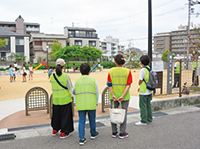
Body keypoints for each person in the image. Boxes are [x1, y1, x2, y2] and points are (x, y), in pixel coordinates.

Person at [107, 54, 132, 139]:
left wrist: (113, 95)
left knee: (113, 113)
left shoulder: (111, 71)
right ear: (124, 61)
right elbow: (128, 85)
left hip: (113, 96)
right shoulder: (128, 71)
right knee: (123, 114)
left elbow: (109, 85)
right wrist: (122, 95)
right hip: (124, 97)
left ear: (115, 62)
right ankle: (122, 133)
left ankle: (114, 132)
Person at [73, 63, 99, 145]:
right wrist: (96, 101)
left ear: (80, 71)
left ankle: (81, 138)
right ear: (89, 70)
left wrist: (75, 102)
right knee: (92, 119)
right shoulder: (93, 79)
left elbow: (74, 92)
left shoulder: (76, 80)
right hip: (91, 102)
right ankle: (93, 133)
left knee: (81, 120)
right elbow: (97, 92)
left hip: (80, 103)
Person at [50, 58, 74, 139]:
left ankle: (55, 130)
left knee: (56, 116)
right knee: (65, 117)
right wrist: (72, 96)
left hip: (56, 99)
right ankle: (64, 132)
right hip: (65, 99)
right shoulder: (66, 76)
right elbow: (70, 88)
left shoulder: (52, 76)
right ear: (64, 66)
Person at [135, 55, 152, 126]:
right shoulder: (150, 69)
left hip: (144, 90)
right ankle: (149, 119)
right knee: (148, 105)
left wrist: (139, 84)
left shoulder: (143, 70)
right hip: (149, 89)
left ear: (141, 62)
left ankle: (143, 120)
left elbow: (140, 80)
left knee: (143, 106)